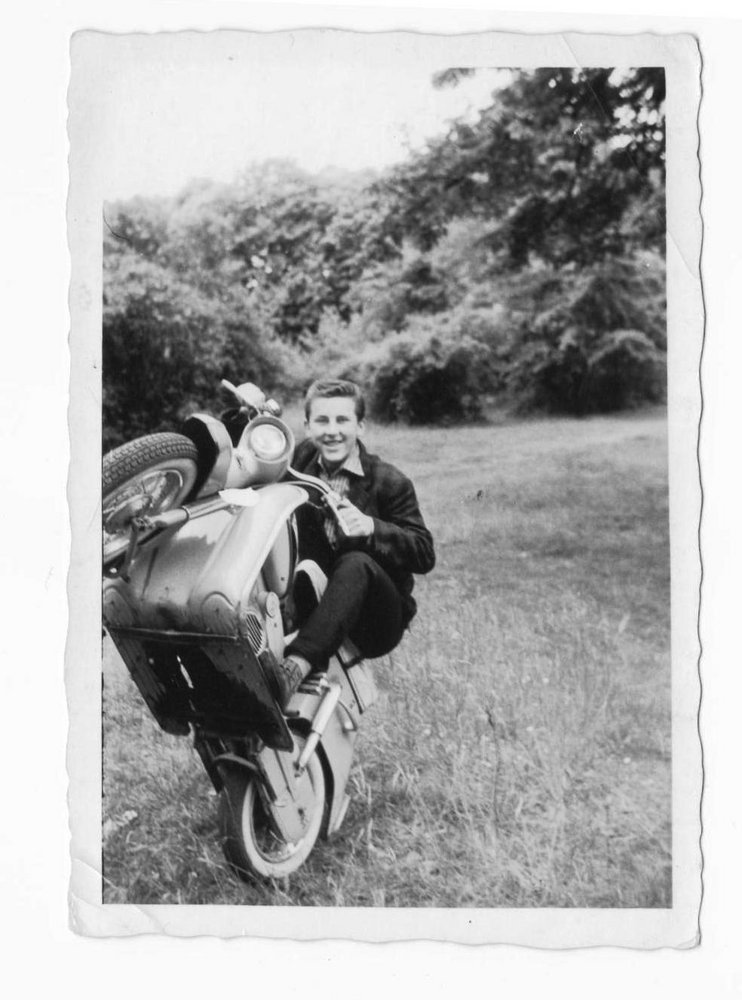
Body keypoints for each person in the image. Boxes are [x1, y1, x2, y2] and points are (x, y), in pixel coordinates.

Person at [270, 378, 435, 705]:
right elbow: (254, 451)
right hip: (315, 595)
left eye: (342, 420)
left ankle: (296, 666)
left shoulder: (390, 481)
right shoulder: (299, 461)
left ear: (360, 426)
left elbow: (424, 553)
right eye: (322, 421)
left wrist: (373, 527)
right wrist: (244, 415)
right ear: (307, 426)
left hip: (374, 619)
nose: (332, 431)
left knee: (356, 562)